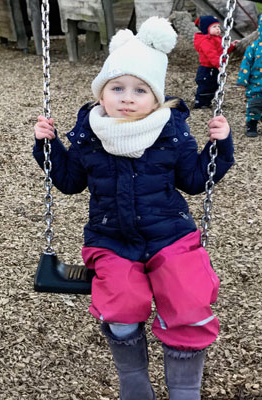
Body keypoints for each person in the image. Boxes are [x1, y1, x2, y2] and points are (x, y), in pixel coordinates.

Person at [33, 17, 234, 400]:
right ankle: (134, 380)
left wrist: (218, 148)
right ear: (102, 93)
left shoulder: (170, 132)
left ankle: (185, 388)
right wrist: (49, 148)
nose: (127, 97)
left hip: (171, 235)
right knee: (121, 305)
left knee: (189, 299)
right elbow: (70, 182)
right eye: (117, 87)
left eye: (140, 90)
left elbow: (194, 180)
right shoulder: (90, 134)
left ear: (156, 97)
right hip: (111, 239)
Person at [193, 15, 237, 109]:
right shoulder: (205, 41)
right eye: (214, 27)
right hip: (207, 69)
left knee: (214, 85)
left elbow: (222, 51)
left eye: (218, 26)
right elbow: (211, 55)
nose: (218, 29)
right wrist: (218, 64)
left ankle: (207, 102)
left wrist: (231, 46)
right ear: (206, 29)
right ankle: (200, 102)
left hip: (214, 68)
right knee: (205, 86)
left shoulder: (216, 38)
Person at [236, 14, 262, 138]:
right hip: (256, 85)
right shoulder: (254, 46)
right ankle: (251, 125)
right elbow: (246, 64)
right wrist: (242, 80)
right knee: (254, 107)